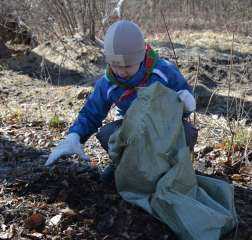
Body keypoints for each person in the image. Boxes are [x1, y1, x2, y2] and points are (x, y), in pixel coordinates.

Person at [45, 20, 198, 182]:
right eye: (114, 65)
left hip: (164, 128)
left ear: (141, 57)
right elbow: (91, 113)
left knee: (188, 132)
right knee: (107, 134)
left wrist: (186, 105)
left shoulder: (164, 72)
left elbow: (184, 102)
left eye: (127, 66)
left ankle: (168, 169)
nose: (120, 72)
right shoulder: (108, 82)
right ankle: (123, 165)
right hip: (131, 130)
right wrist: (73, 137)